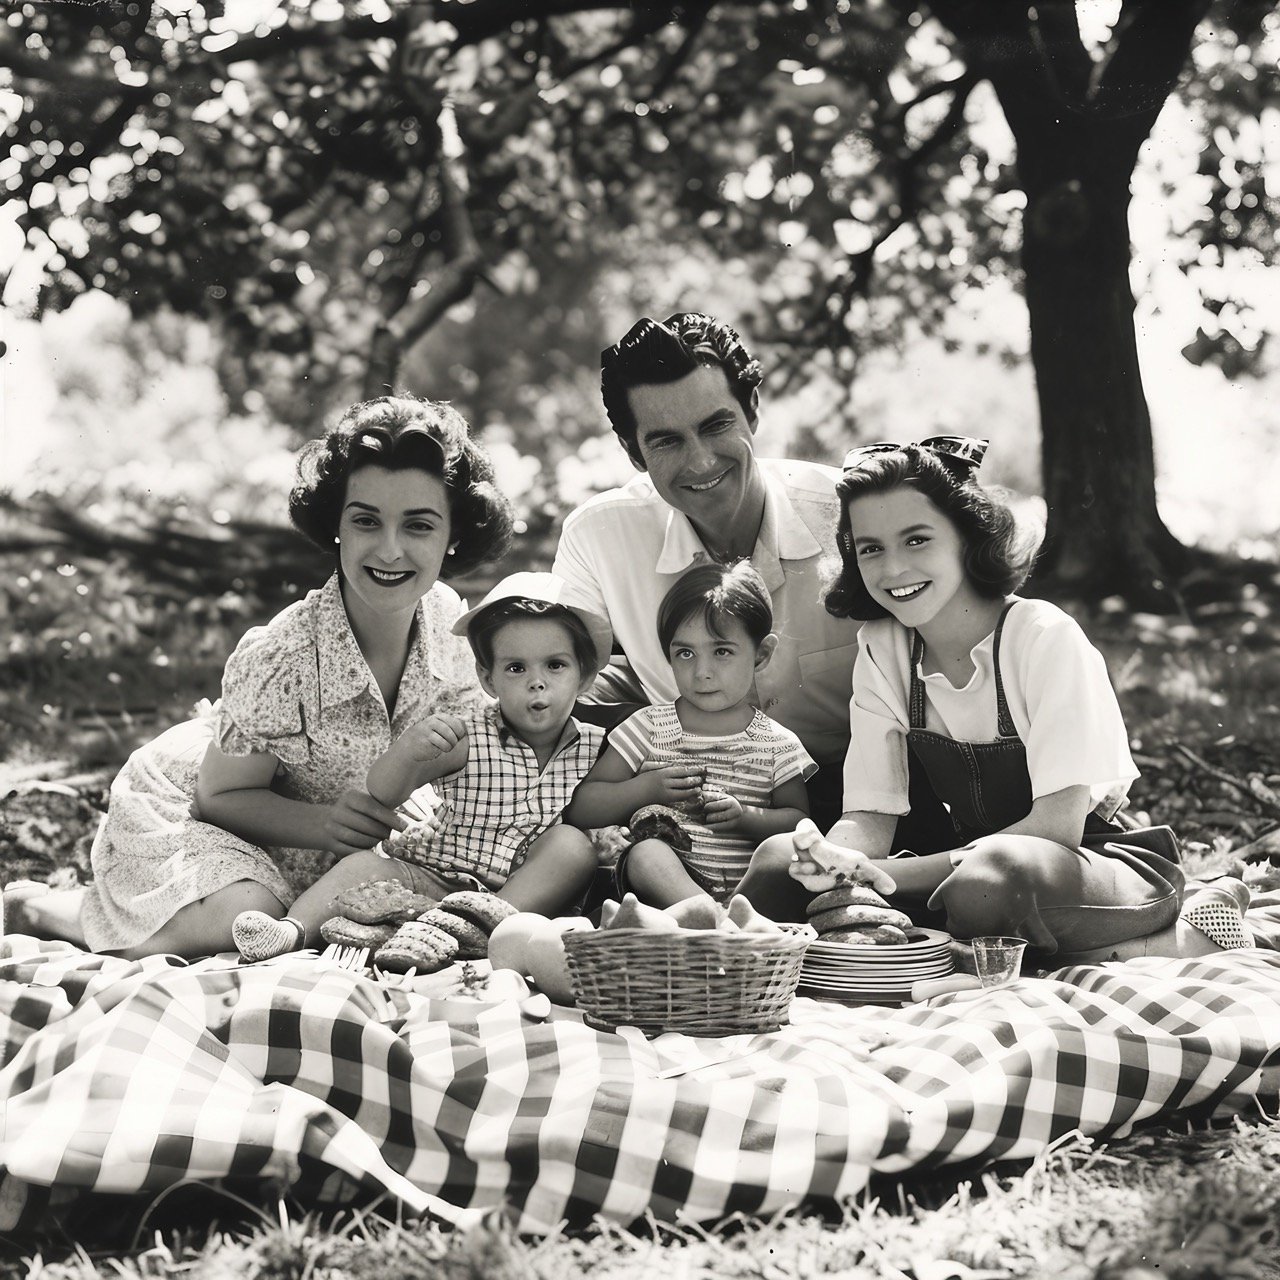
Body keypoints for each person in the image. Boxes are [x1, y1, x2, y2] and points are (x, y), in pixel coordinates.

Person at [9, 395, 514, 959]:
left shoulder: (454, 625)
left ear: (453, 536)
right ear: (336, 527)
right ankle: (45, 910)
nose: (390, 549)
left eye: (418, 525)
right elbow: (219, 795)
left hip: (346, 846)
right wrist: (324, 825)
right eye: (366, 520)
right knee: (247, 915)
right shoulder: (285, 654)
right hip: (202, 811)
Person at [737, 436, 1251, 960]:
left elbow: (1056, 829)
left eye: (916, 540)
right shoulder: (883, 647)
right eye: (871, 548)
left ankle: (1182, 938)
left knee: (990, 881)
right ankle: (989, 948)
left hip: (1078, 867)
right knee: (779, 863)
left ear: (967, 536)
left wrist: (885, 876)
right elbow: (869, 818)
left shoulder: (1044, 636)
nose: (892, 570)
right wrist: (828, 857)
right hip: (962, 868)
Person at [552, 312, 856, 831]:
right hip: (693, 809)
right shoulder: (599, 537)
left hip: (859, 792)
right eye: (666, 441)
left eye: (716, 426)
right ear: (633, 452)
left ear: (753, 411)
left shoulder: (847, 514)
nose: (700, 463)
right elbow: (561, 675)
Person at [230, 572, 610, 960]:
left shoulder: (597, 747)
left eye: (555, 666)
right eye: (516, 668)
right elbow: (383, 791)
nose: (537, 683)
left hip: (514, 893)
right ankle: (291, 933)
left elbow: (610, 802)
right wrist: (409, 751)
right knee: (363, 867)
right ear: (488, 679)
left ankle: (485, 935)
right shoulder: (467, 736)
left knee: (572, 847)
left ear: (585, 676)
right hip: (426, 876)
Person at [565, 561, 815, 906]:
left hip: (750, 892)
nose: (702, 673)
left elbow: (798, 822)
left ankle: (731, 919)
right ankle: (714, 921)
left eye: (722, 652)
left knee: (784, 851)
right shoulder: (648, 727)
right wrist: (645, 788)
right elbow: (581, 807)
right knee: (647, 853)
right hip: (667, 893)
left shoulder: (777, 743)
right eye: (685, 653)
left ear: (761, 653)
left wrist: (745, 818)